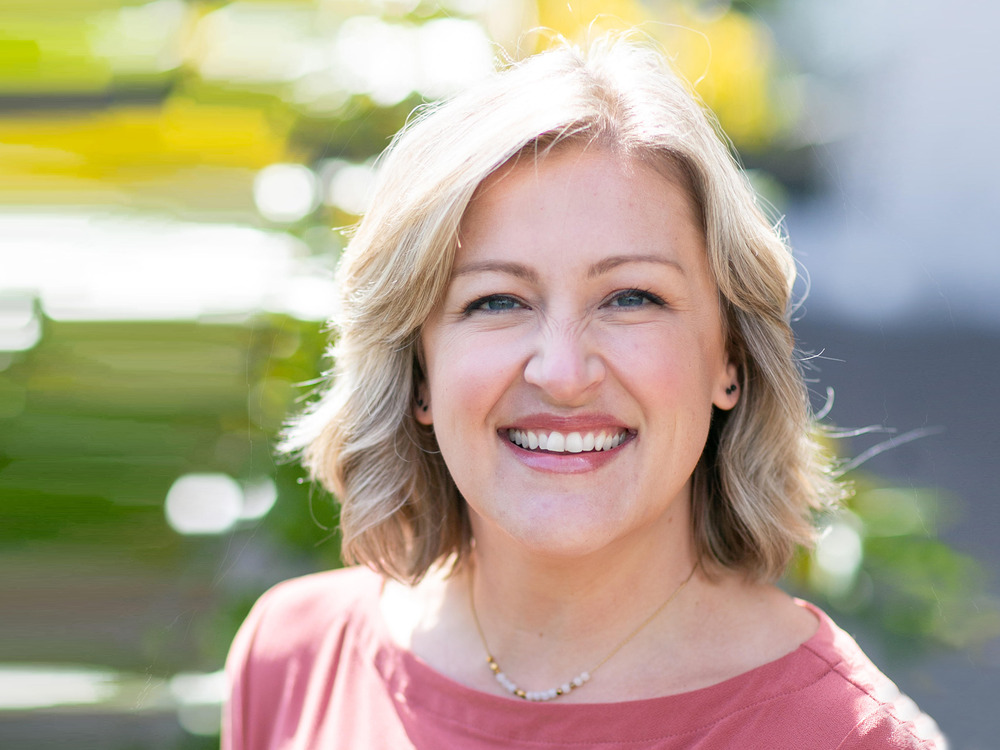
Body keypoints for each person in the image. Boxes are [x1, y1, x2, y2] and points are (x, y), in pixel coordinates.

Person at [223, 34, 945, 749]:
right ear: (418, 369)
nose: (563, 374)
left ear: (730, 355)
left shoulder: (845, 737)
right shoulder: (291, 659)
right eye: (498, 301)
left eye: (631, 297)